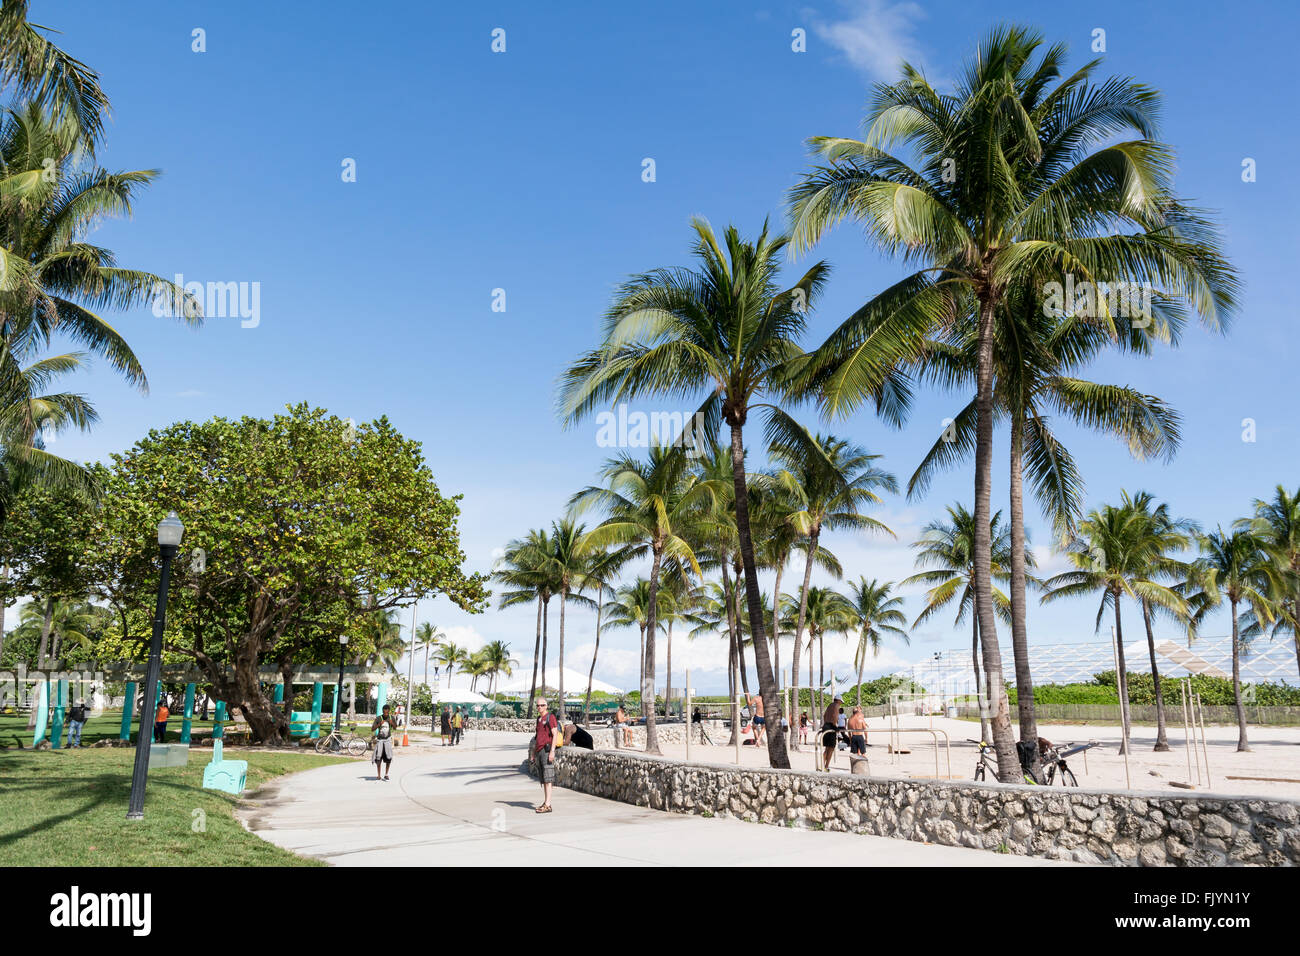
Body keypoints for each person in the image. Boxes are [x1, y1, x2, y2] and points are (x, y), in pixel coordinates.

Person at [533, 697, 560, 812]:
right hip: (539, 751)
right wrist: (533, 753)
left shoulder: (551, 717)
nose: (540, 707)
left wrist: (552, 751)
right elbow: (537, 737)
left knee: (548, 778)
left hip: (547, 750)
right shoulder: (539, 719)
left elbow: (555, 734)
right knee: (544, 779)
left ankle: (548, 804)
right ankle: (546, 802)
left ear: (546, 706)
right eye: (538, 705)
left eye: (542, 705)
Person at [371, 704, 396, 780]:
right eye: (384, 712)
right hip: (380, 740)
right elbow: (372, 729)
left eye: (387, 713)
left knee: (388, 758)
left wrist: (391, 723)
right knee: (379, 758)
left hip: (387, 740)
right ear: (382, 711)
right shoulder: (378, 718)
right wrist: (379, 724)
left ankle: (386, 774)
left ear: (388, 711)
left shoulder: (391, 718)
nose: (385, 714)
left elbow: (395, 727)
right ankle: (378, 775)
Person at [820, 696, 841, 771]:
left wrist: (826, 723)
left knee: (827, 748)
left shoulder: (830, 705)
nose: (841, 703)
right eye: (841, 702)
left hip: (825, 726)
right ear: (838, 700)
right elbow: (835, 716)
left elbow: (824, 715)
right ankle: (826, 766)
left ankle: (822, 766)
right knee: (831, 748)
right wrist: (835, 726)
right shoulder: (836, 705)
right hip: (831, 727)